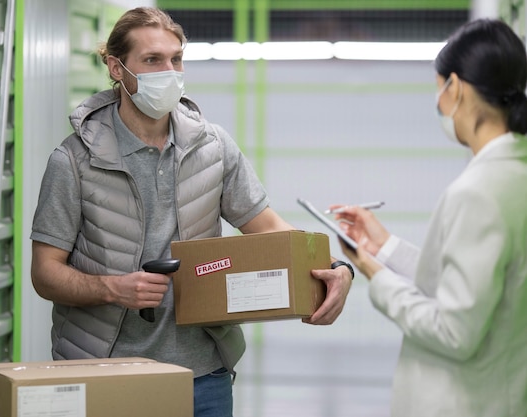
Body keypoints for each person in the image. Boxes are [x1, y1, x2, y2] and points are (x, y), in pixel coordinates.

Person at [30, 7, 353, 417]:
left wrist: (337, 267)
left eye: (176, 59)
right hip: (102, 372)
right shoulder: (73, 161)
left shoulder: (212, 148)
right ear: (116, 68)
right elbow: (44, 272)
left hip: (202, 376)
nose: (169, 71)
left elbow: (271, 231)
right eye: (152, 60)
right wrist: (113, 289)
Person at [331, 19, 527, 417]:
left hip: (461, 402)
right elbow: (472, 284)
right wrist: (385, 247)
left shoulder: (478, 191)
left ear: (455, 88)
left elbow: (454, 331)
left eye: (439, 89)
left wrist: (375, 273)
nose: (439, 103)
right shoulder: (514, 175)